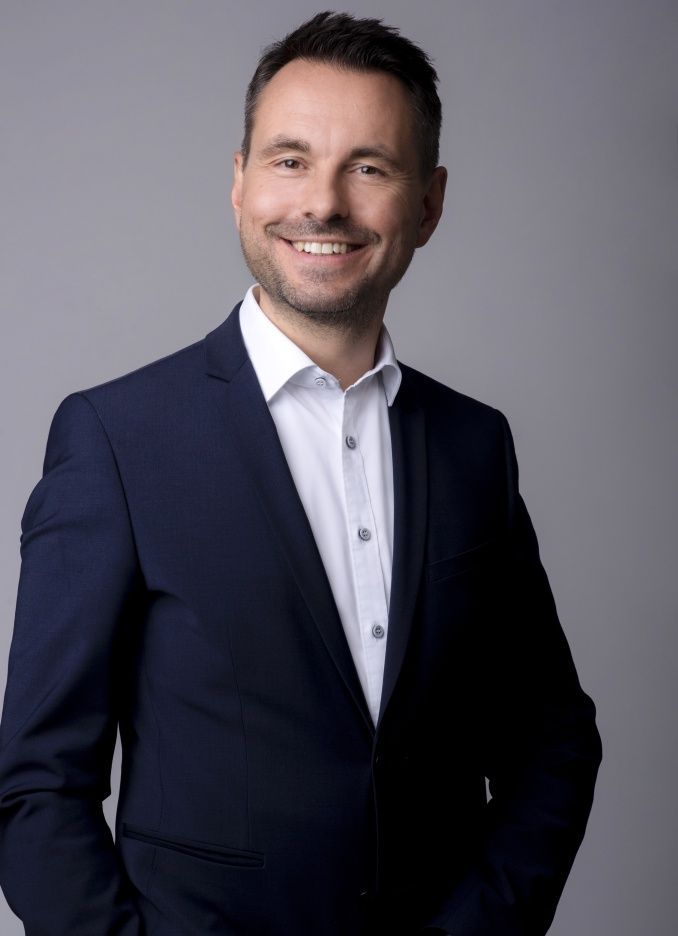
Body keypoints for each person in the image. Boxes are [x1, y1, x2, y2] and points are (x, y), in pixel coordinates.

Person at [0, 11, 602, 936]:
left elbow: (551, 743)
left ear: (429, 204)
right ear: (240, 183)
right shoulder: (117, 440)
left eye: (370, 167)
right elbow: (36, 786)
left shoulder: (474, 445)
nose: (323, 203)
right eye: (290, 160)